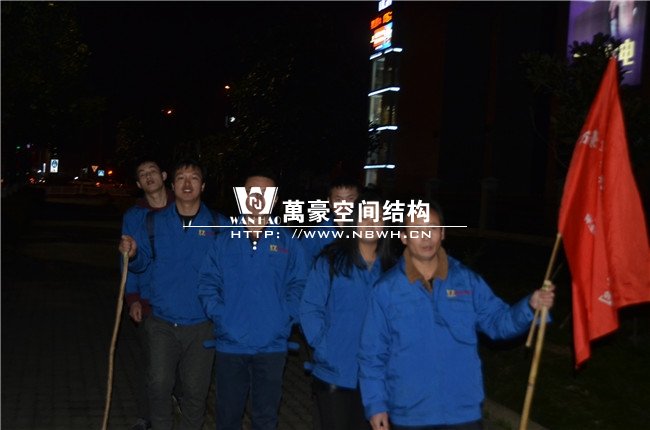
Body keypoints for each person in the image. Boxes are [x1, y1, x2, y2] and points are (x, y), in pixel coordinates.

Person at [357, 200, 556, 430]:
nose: (426, 237)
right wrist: (376, 405)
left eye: (432, 228)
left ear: (442, 233)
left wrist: (530, 306)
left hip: (462, 412)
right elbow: (372, 354)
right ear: (404, 237)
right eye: (417, 230)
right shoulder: (386, 290)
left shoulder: (466, 281)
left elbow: (498, 322)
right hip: (410, 413)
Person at [119, 159, 226, 430]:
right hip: (162, 321)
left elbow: (234, 271)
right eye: (181, 178)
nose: (187, 184)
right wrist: (133, 254)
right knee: (158, 385)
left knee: (195, 391)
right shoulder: (152, 222)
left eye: (194, 178)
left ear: (203, 185)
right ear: (173, 185)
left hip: (203, 324)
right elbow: (140, 263)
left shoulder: (219, 225)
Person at [197, 171, 308, 430]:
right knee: (227, 416)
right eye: (251, 192)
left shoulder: (288, 242)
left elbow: (300, 284)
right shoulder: (224, 239)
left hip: (272, 346)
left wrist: (284, 317)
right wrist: (221, 315)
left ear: (275, 199)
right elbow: (207, 281)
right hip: (230, 344)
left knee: (266, 417)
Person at [300, 190, 395, 430]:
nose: (371, 223)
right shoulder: (331, 261)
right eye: (365, 216)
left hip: (378, 378)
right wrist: (325, 348)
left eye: (378, 217)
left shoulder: (393, 270)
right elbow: (310, 308)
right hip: (335, 373)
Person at [121, 158, 175, 430]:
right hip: (149, 301)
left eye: (153, 171)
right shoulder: (134, 216)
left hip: (184, 302)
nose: (148, 176)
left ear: (164, 175)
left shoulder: (183, 207)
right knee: (153, 365)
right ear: (138, 183)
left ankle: (172, 401)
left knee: (182, 365)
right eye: (142, 174)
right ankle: (146, 415)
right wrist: (132, 299)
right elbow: (128, 261)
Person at [300, 177, 360, 268]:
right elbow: (301, 269)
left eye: (350, 199)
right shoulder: (314, 237)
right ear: (330, 202)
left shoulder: (371, 232)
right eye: (338, 200)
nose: (344, 205)